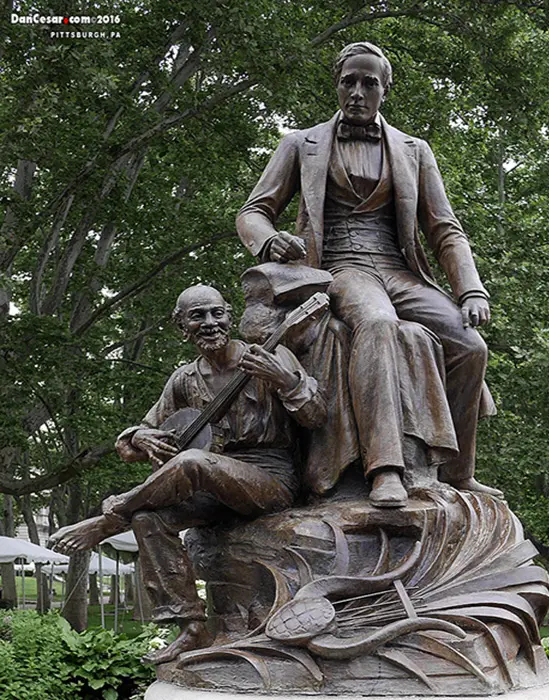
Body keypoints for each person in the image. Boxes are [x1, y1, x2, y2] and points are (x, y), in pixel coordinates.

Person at [237, 41, 500, 508]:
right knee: (379, 324)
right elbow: (254, 211)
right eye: (348, 81)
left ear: (385, 89)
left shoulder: (415, 150)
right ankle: (386, 468)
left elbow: (444, 228)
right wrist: (268, 239)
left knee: (470, 344)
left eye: (369, 83)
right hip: (339, 266)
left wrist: (471, 289)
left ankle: (459, 473)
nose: (357, 91)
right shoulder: (301, 143)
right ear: (337, 85)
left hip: (401, 271)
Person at [50, 284, 326, 664]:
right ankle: (190, 627)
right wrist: (139, 435)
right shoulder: (184, 379)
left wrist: (285, 380)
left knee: (192, 462)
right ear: (182, 326)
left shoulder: (271, 356)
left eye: (216, 313)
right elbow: (131, 445)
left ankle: (109, 522)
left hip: (270, 479)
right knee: (149, 518)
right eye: (197, 316)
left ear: (229, 316)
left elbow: (316, 416)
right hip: (210, 487)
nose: (210, 323)